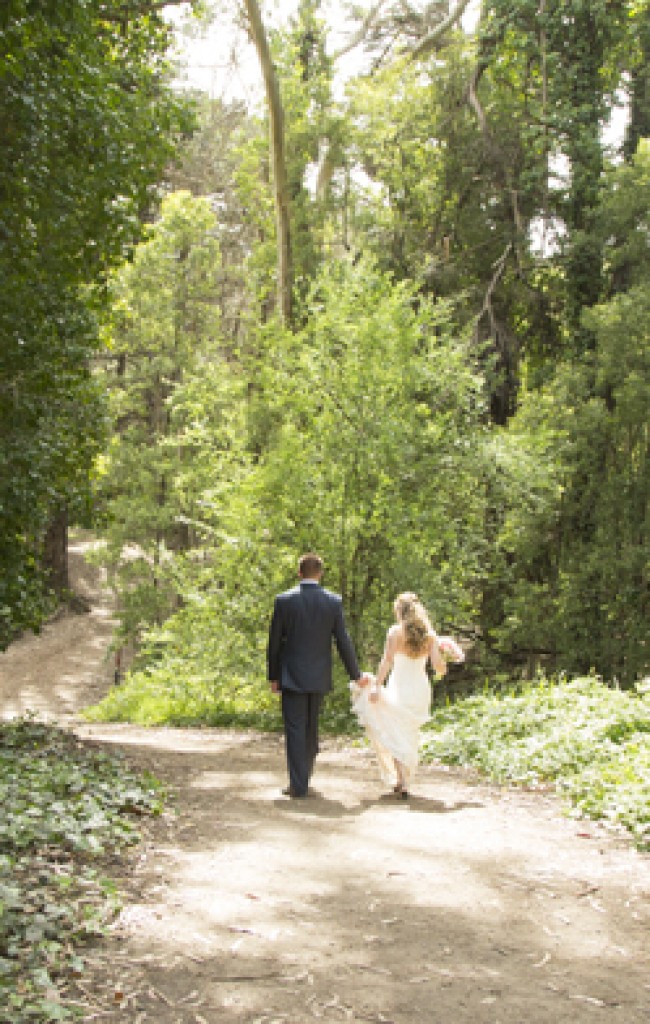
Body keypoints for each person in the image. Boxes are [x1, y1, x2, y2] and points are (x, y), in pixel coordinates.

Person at [267, 553, 368, 799]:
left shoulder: (284, 601)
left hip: (291, 675)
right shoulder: (332, 602)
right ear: (320, 574)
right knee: (311, 729)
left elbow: (274, 643)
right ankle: (304, 777)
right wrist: (356, 674)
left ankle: (298, 784)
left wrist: (273, 675)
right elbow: (343, 641)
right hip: (319, 675)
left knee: (295, 729)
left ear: (299, 572)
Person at [350, 592, 464, 799]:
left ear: (398, 611)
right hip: (420, 688)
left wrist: (377, 685)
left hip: (399, 685)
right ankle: (404, 780)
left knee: (396, 730)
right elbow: (439, 668)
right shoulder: (429, 636)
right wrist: (445, 658)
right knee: (409, 732)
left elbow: (386, 661)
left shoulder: (395, 633)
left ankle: (402, 779)